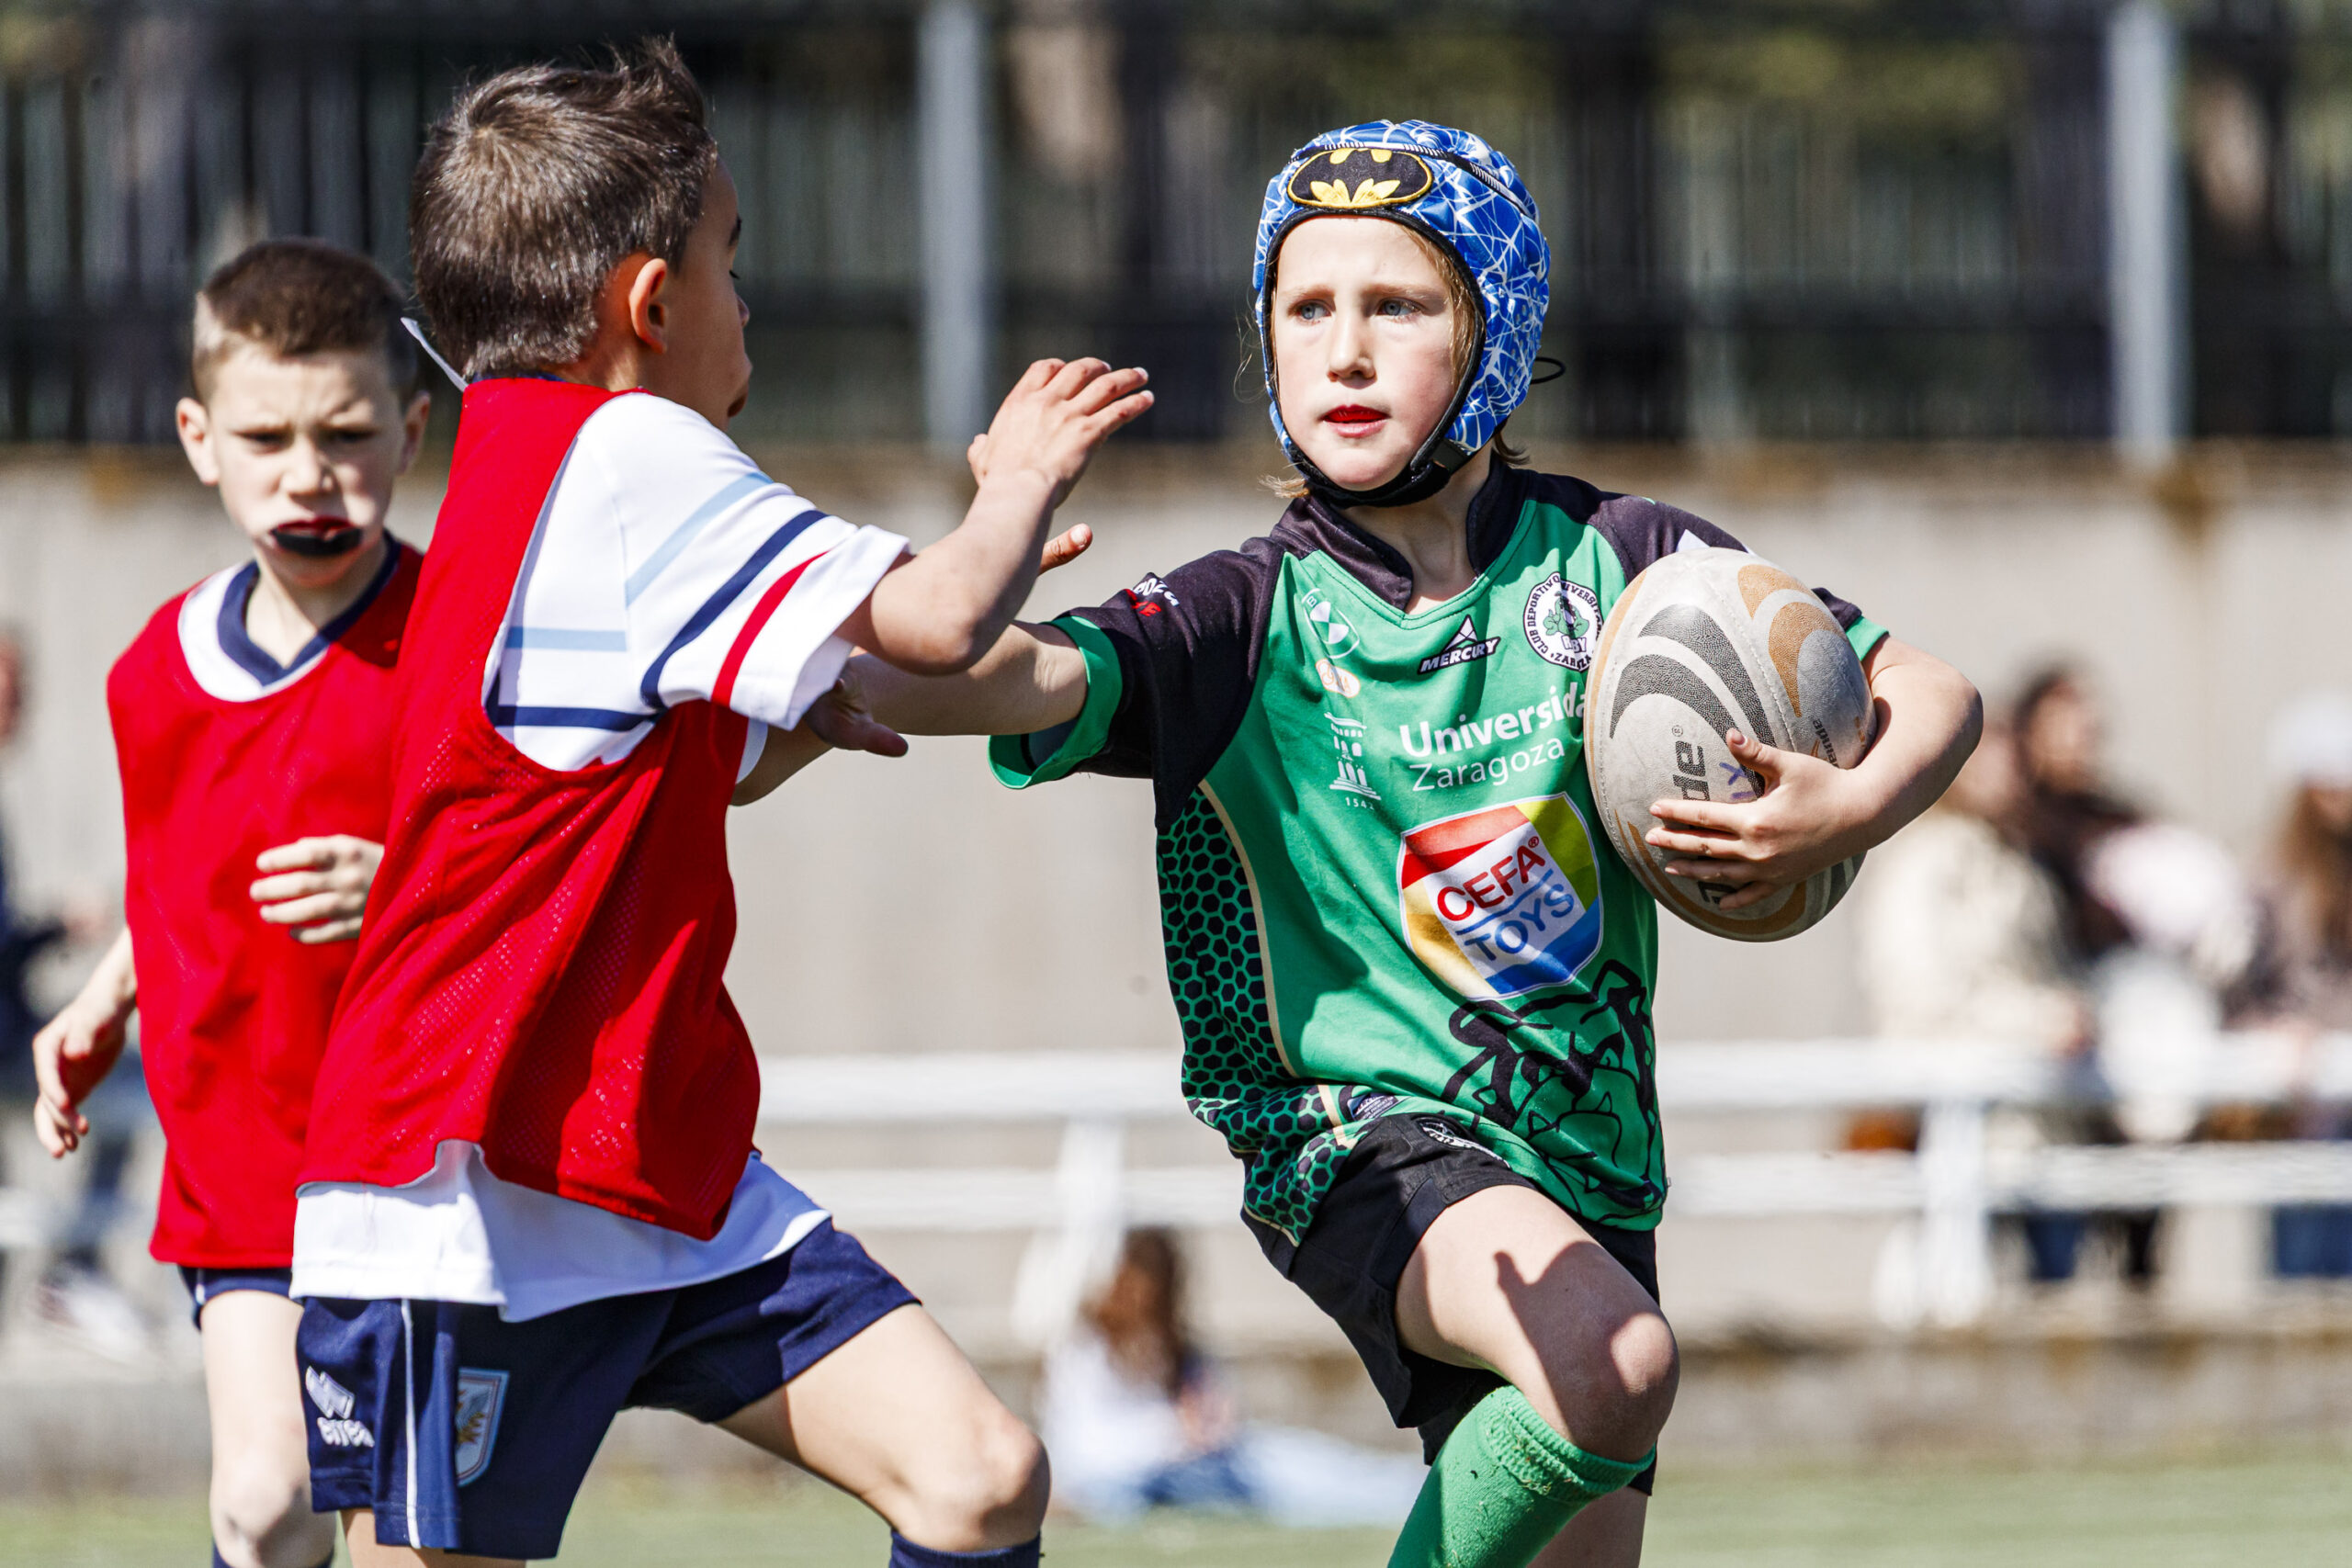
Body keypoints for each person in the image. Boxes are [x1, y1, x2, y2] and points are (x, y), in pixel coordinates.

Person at [860, 120, 1981, 1568]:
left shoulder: (1627, 563)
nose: (1343, 352)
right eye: (1304, 310)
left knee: (1591, 1441)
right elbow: (982, 679)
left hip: (1589, 1152)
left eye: (1397, 306)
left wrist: (1853, 802)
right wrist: (996, 521)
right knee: (1620, 1361)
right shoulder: (1239, 617)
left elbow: (1931, 690)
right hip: (1356, 1142)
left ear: (1496, 331)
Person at [286, 44, 1150, 1568]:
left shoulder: (523, 461)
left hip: (643, 1158)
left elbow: (658, 760)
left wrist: (809, 734)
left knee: (977, 1475)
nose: (745, 301)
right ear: (647, 302)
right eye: (729, 260)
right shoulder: (628, 453)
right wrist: (1015, 482)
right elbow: (944, 621)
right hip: (466, 1181)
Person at [31, 239, 432, 1568]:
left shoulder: (462, 639)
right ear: (201, 438)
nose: (308, 471)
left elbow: (551, 855)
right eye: (267, 435)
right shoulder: (157, 670)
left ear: (410, 429)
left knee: (406, 1532)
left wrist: (404, 888)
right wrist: (101, 996)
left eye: (349, 432)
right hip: (247, 1171)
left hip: (435, 1170)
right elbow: (179, 891)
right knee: (266, 1504)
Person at [1041, 1226, 1425, 1527]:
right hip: (1144, 1482)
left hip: (1208, 1463)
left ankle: (1408, 1485)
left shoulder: (1171, 1344)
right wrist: (1176, 1435)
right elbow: (1086, 1449)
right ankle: (1403, 1495)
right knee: (1295, 1489)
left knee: (1304, 1459)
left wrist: (1207, 1420)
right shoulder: (1088, 1347)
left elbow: (1213, 1415)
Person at [2234, 692, 2352, 1276]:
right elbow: (2235, 992)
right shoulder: (2272, 880)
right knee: (2305, 1272)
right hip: (2303, 1115)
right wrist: (2273, 1034)